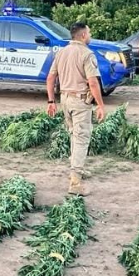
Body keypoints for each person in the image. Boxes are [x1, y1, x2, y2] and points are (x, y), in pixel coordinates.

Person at [47, 22, 106, 195]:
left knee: (74, 135)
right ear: (83, 35)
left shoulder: (61, 52)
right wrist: (100, 105)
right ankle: (75, 183)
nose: (90, 35)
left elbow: (50, 78)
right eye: (89, 33)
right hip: (80, 101)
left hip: (65, 99)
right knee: (81, 138)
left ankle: (76, 169)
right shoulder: (87, 54)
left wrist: (51, 101)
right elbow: (93, 82)